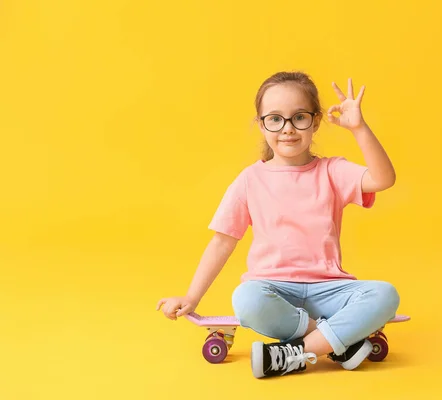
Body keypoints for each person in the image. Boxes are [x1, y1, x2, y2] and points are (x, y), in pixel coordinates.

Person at [156, 71, 401, 379]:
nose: (287, 129)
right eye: (275, 119)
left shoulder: (332, 171)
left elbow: (383, 179)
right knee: (246, 298)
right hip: (274, 290)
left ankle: (296, 354)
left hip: (330, 290)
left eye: (298, 117)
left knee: (385, 295)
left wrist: (359, 128)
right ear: (261, 124)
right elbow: (222, 242)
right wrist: (191, 298)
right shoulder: (249, 180)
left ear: (315, 121)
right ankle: (337, 343)